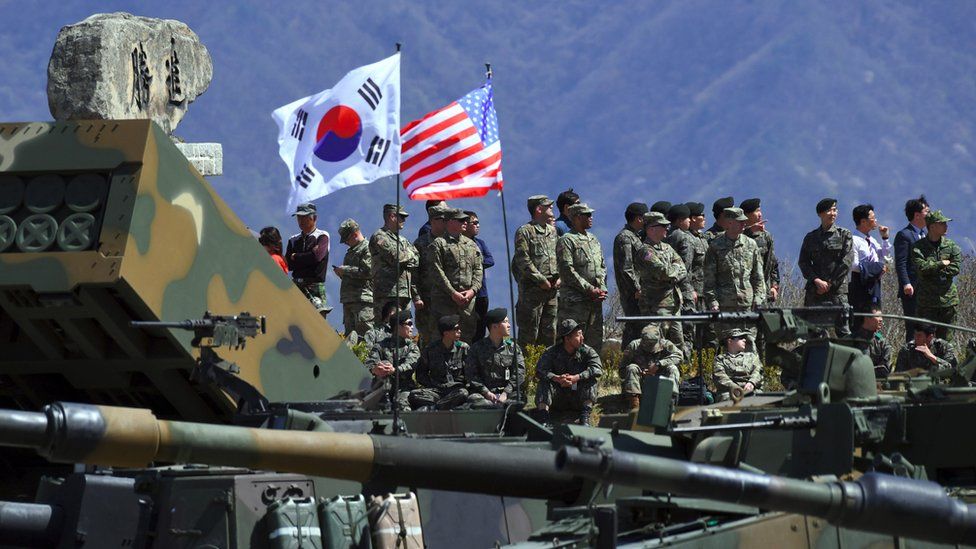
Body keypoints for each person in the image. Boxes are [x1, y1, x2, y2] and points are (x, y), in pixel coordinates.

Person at [703, 207, 766, 340]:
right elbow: (709, 280)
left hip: (747, 306)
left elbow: (758, 276)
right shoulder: (715, 247)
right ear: (729, 223)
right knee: (728, 345)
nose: (744, 224)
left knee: (748, 344)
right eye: (740, 221)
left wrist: (759, 298)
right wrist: (713, 302)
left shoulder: (751, 244)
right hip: (725, 307)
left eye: (744, 221)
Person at [556, 203, 608, 350]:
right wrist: (589, 288)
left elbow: (602, 266)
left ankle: (593, 372)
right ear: (578, 218)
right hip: (575, 302)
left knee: (594, 342)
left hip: (595, 301)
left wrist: (602, 288)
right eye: (588, 215)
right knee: (572, 342)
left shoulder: (593, 239)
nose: (591, 218)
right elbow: (567, 270)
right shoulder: (567, 240)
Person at [798, 198, 853, 336]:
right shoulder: (811, 237)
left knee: (844, 332)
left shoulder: (844, 234)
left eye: (835, 210)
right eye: (829, 210)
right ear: (820, 214)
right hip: (815, 292)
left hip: (837, 292)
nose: (833, 213)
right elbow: (803, 262)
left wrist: (829, 284)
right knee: (813, 331)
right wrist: (816, 281)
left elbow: (846, 262)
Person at [535, 319, 603, 426]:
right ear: (567, 338)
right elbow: (539, 371)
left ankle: (585, 417)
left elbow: (597, 369)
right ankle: (543, 419)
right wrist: (556, 378)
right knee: (544, 382)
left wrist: (577, 377)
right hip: (558, 396)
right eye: (578, 335)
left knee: (591, 381)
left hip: (578, 396)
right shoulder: (552, 352)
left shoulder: (587, 351)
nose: (582, 338)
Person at [637, 210, 687, 354]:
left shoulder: (667, 247)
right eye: (663, 226)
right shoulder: (645, 251)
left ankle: (679, 372)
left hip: (674, 302)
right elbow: (663, 272)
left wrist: (673, 272)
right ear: (651, 229)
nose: (667, 229)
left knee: (678, 343)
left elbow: (682, 269)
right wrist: (673, 271)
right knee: (658, 343)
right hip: (656, 305)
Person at [430, 209, 483, 342]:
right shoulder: (439, 244)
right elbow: (437, 272)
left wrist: (472, 291)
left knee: (466, 338)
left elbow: (478, 270)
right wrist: (453, 293)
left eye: (465, 220)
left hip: (467, 303)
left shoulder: (471, 244)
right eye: (460, 220)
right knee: (442, 339)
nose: (465, 222)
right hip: (445, 302)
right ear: (450, 222)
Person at [513, 195, 560, 348]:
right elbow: (522, 260)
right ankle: (526, 369)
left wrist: (560, 278)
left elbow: (559, 256)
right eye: (548, 206)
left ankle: (545, 369)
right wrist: (541, 280)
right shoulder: (525, 231)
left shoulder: (552, 231)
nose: (552, 208)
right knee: (529, 335)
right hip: (532, 293)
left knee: (549, 334)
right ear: (539, 209)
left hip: (552, 291)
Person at [912, 210, 961, 341]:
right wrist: (941, 264)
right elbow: (921, 268)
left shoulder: (951, 246)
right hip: (927, 303)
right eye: (942, 223)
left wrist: (932, 269)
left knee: (947, 342)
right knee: (925, 340)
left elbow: (955, 268)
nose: (946, 226)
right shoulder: (918, 247)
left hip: (948, 301)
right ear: (932, 226)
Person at [370, 204, 422, 321]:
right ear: (392, 216)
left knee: (403, 328)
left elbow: (417, 259)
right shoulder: (379, 236)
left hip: (404, 294)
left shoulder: (403, 240)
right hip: (387, 294)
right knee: (386, 330)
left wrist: (407, 256)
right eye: (402, 217)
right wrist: (409, 255)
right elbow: (396, 257)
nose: (404, 221)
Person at [465, 308, 525, 408]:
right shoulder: (477, 348)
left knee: (520, 399)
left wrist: (505, 393)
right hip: (484, 394)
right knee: (474, 400)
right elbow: (471, 374)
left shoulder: (513, 347)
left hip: (507, 393)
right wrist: (486, 392)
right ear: (495, 326)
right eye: (505, 322)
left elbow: (520, 372)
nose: (509, 325)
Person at [409, 315, 470, 410]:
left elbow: (470, 372)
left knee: (463, 393)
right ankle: (446, 404)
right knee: (414, 395)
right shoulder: (430, 349)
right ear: (446, 333)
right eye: (456, 329)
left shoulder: (463, 348)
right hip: (436, 390)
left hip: (455, 390)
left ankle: (435, 407)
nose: (459, 331)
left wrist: (462, 383)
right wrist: (433, 385)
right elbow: (420, 374)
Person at [364, 311, 419, 410]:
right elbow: (369, 364)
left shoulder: (412, 347)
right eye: (409, 324)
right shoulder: (380, 345)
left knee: (401, 405)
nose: (412, 328)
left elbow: (411, 364)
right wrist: (375, 369)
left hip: (404, 388)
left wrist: (394, 370)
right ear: (398, 326)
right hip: (382, 388)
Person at [619, 324, 682, 410]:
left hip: (661, 383)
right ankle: (634, 407)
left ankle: (669, 403)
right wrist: (640, 372)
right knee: (632, 368)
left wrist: (659, 364)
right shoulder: (633, 346)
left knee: (673, 369)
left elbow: (679, 356)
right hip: (640, 385)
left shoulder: (666, 344)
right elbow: (622, 370)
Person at [285, 202, 331, 316]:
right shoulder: (293, 239)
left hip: (314, 286)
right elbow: (289, 265)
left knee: (317, 320)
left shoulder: (322, 236)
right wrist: (308, 256)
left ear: (314, 218)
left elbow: (317, 257)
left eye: (304, 217)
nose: (300, 221)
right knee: (294, 318)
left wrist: (296, 256)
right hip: (296, 285)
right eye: (299, 217)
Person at [613, 202, 649, 348]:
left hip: (637, 291)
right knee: (633, 327)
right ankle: (627, 359)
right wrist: (636, 288)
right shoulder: (625, 238)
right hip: (632, 293)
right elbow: (626, 267)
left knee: (639, 327)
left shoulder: (635, 236)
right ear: (639, 218)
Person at [894, 195, 929, 341]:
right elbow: (901, 262)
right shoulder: (904, 235)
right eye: (927, 212)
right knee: (913, 328)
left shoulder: (925, 235)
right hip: (912, 290)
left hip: (926, 290)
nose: (929, 215)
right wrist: (906, 283)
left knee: (927, 328)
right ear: (917, 215)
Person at [413, 205, 450, 344]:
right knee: (427, 339)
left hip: (448, 300)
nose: (446, 223)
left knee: (447, 337)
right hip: (427, 301)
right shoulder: (420, 243)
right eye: (443, 220)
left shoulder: (451, 242)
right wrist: (416, 296)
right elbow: (413, 273)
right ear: (433, 221)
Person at [334, 219, 373, 340]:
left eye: (347, 239)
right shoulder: (351, 252)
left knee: (365, 337)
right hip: (349, 300)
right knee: (350, 338)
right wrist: (341, 273)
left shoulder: (367, 249)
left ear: (355, 234)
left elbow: (368, 272)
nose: (345, 243)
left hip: (362, 301)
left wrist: (345, 270)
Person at [849, 204, 891, 315]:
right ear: (863, 221)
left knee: (876, 315)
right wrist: (875, 269)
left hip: (874, 284)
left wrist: (885, 239)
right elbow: (853, 265)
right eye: (873, 218)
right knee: (862, 317)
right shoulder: (854, 240)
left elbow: (884, 257)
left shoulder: (872, 240)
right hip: (860, 284)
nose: (876, 221)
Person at [740, 198, 779, 303]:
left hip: (763, 290)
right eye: (756, 211)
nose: (760, 214)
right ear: (747, 215)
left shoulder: (766, 236)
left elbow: (772, 263)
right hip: (741, 291)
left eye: (760, 210)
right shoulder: (737, 236)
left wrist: (774, 286)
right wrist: (749, 231)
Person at [463, 210, 495, 342]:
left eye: (478, 222)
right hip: (464, 292)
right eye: (474, 222)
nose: (478, 225)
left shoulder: (480, 243)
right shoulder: (459, 243)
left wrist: (475, 263)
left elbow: (490, 260)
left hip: (481, 292)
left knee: (480, 326)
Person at [712, 328, 763, 401]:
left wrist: (751, 383)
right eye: (741, 338)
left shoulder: (752, 357)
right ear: (730, 341)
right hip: (730, 392)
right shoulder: (720, 359)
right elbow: (720, 377)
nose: (744, 340)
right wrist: (736, 388)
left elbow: (758, 371)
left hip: (751, 390)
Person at [853, 305, 892, 378]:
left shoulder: (883, 342)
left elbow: (885, 369)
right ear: (867, 318)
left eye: (881, 316)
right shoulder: (851, 339)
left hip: (877, 383)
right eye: (877, 316)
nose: (881, 319)